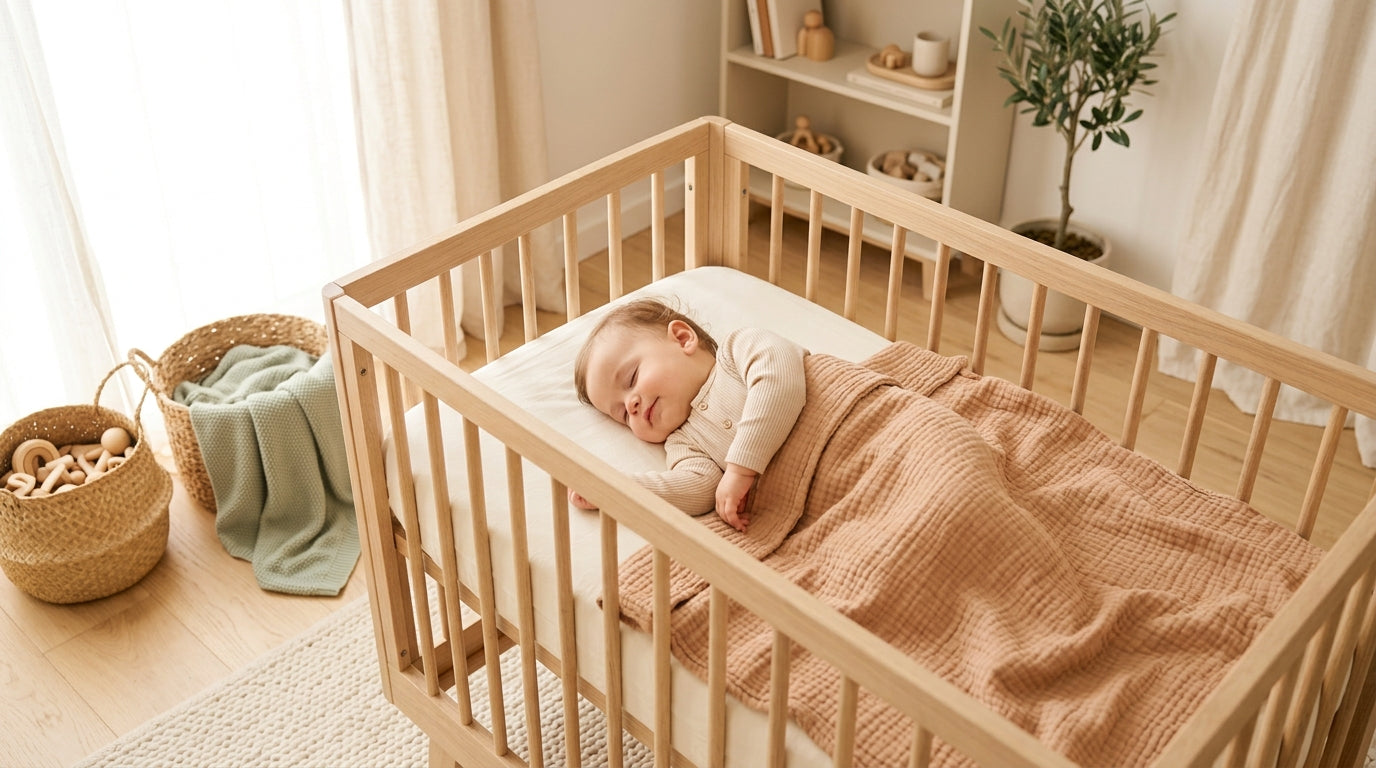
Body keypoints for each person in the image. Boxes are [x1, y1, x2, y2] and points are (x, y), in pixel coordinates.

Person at [570, 298, 807, 532]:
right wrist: (614, 489)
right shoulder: (683, 443)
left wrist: (740, 469)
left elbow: (781, 380)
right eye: (623, 414)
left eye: (632, 378)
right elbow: (700, 490)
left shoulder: (737, 352)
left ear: (683, 339)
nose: (631, 404)